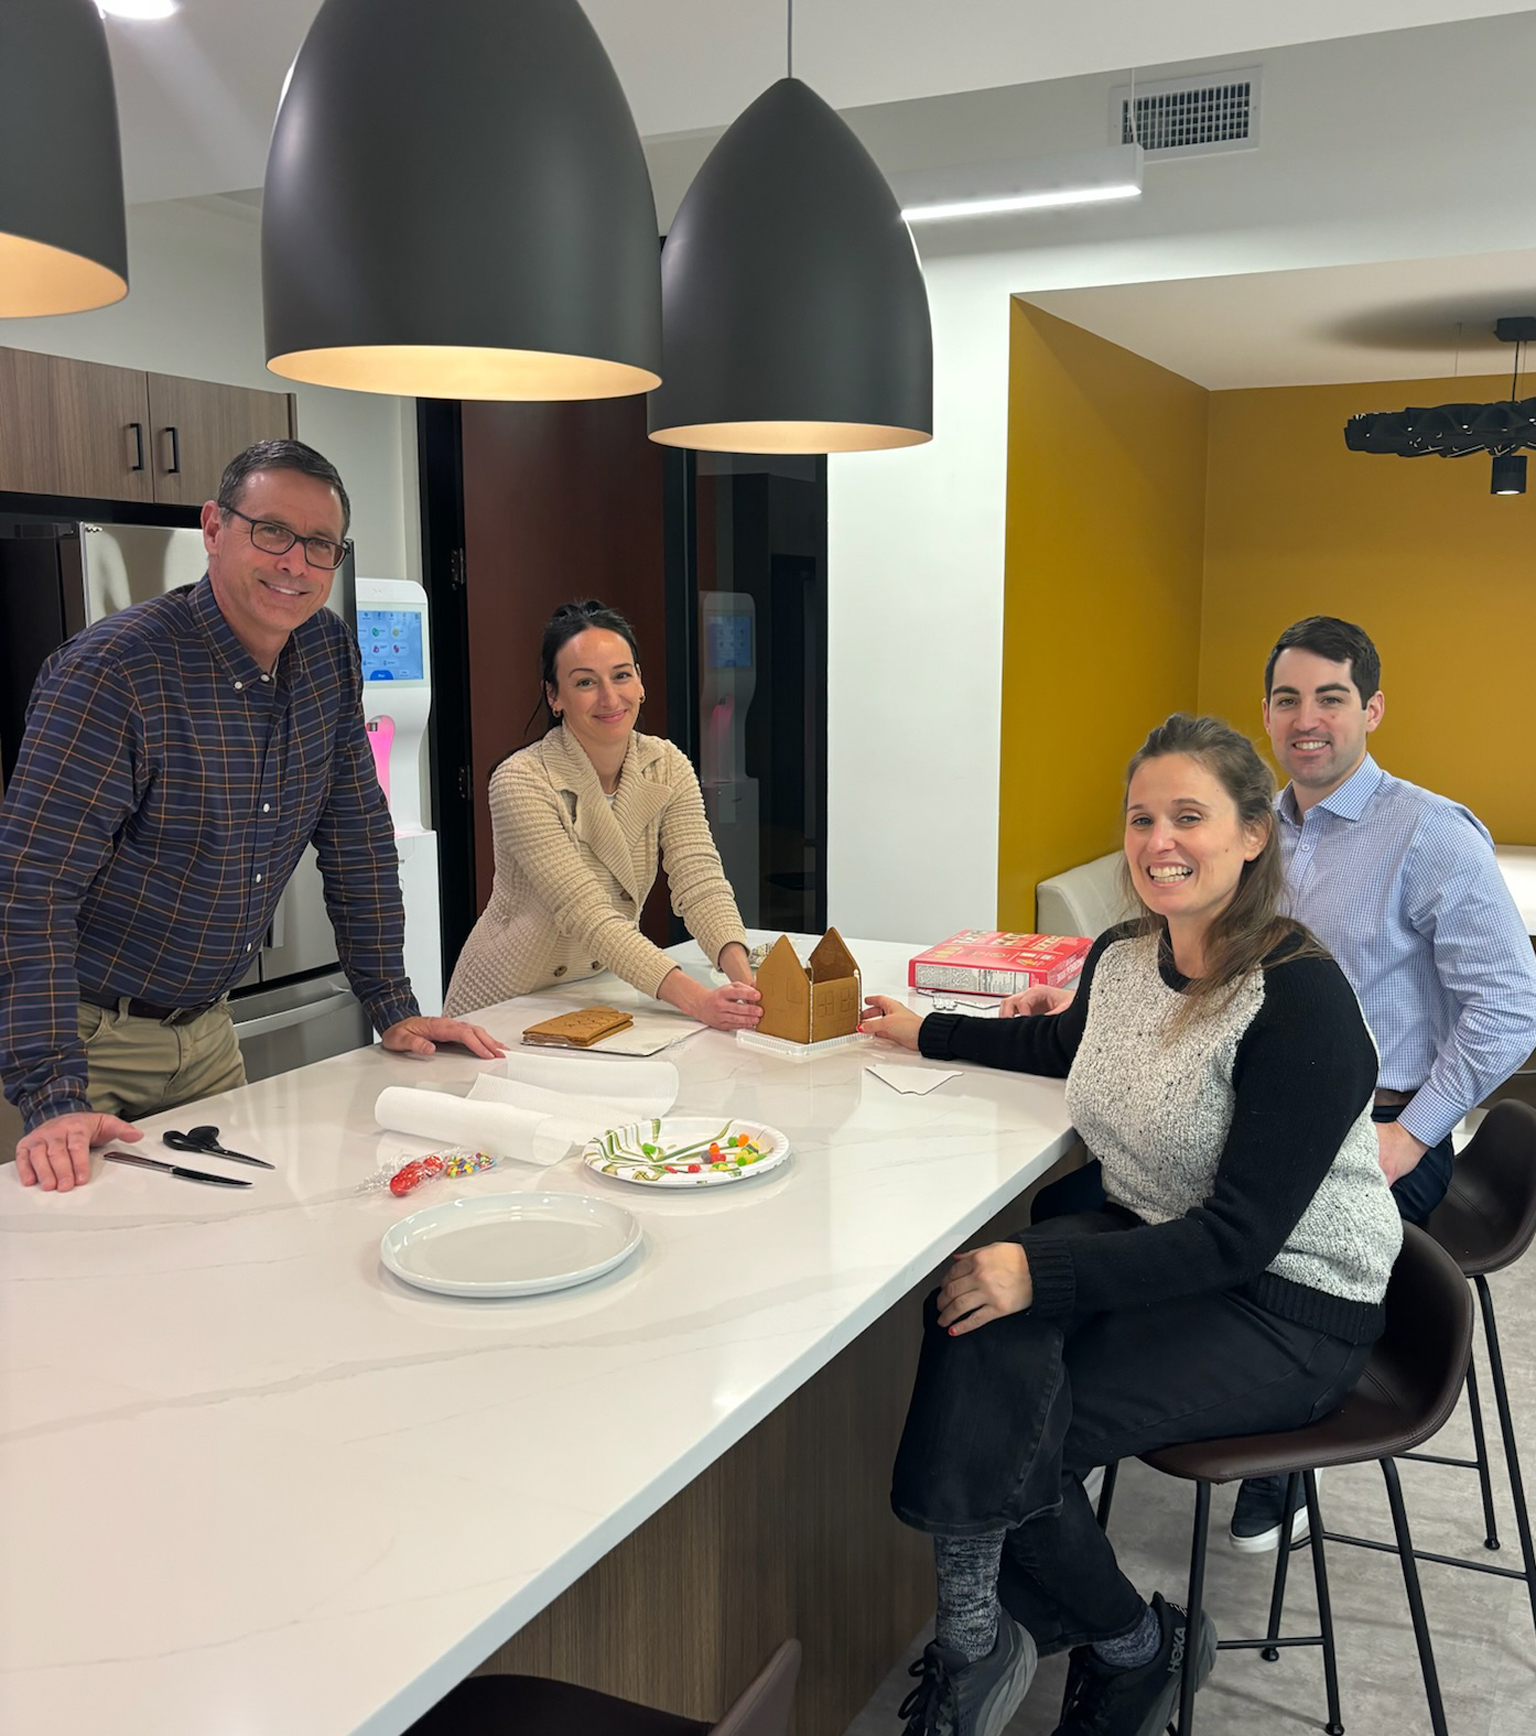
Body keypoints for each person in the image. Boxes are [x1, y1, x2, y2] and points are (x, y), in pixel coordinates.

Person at [862, 713, 1401, 1736]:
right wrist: (926, 1030)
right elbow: (1067, 1046)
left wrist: (1042, 1276)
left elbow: (1239, 1238)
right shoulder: (1123, 955)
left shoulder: (1299, 999)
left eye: (1189, 816)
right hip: (1163, 1245)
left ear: (1253, 833)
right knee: (975, 1309)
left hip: (1289, 1303)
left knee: (1024, 1428)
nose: (1159, 841)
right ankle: (1000, 1641)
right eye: (1142, 817)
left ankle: (1123, 1647)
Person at [1009, 616, 1536, 1553]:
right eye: (1288, 699)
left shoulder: (1428, 834)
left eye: (1332, 697)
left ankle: (1267, 1437)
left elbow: (1510, 1006)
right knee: (1073, 1208)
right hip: (1235, 1106)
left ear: (1373, 709)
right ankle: (1070, 1418)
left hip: (1377, 1127)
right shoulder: (1249, 826)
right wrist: (1100, 1002)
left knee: (1257, 1256)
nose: (1307, 719)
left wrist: (1415, 1132)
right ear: (1266, 714)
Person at [0, 439, 503, 1193]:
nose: (295, 563)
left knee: (230, 1238)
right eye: (272, 532)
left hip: (209, 1031)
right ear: (214, 527)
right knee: (99, 1255)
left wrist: (393, 1006)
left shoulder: (327, 652)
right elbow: (30, 886)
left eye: (320, 544)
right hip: (83, 1042)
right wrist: (53, 1095)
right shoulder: (115, 672)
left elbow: (358, 837)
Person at [444, 600, 761, 1031]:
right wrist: (698, 1000)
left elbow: (699, 879)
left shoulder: (667, 764)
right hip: (507, 1001)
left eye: (621, 675)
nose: (610, 698)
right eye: (585, 682)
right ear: (554, 696)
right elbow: (587, 913)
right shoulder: (521, 779)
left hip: (596, 990)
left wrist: (746, 985)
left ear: (640, 682)